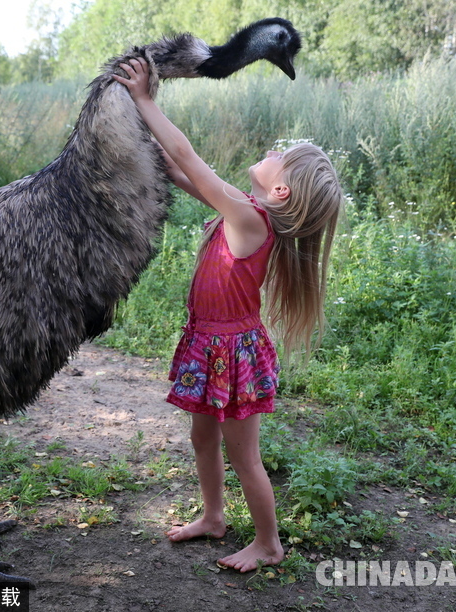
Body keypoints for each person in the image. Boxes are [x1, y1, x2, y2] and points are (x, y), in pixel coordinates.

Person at [113, 58, 344, 573]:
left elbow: (188, 157)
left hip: (233, 353)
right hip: (208, 342)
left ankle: (268, 544)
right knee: (202, 437)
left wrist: (148, 100)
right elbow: (178, 169)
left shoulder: (247, 218)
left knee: (246, 457)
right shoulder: (244, 209)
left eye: (280, 156)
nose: (272, 150)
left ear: (279, 190)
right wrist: (139, 128)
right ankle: (214, 517)